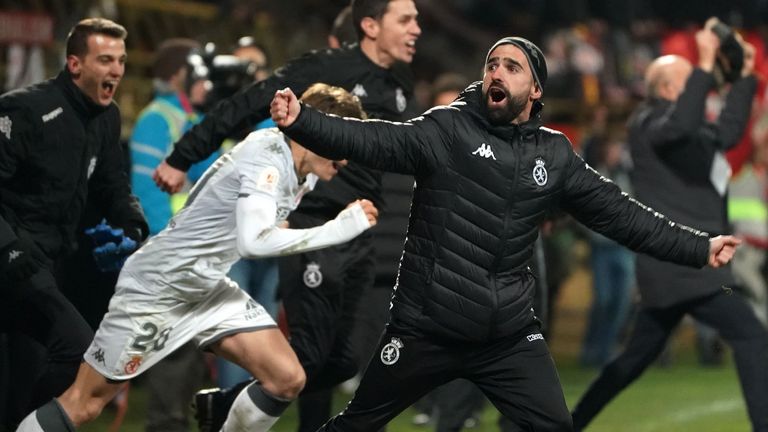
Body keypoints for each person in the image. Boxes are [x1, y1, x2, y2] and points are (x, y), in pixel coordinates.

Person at [269, 36, 741, 431]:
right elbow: (375, 140)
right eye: (491, 64)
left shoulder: (555, 155)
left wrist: (699, 247)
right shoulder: (448, 129)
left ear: (535, 89)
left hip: (507, 338)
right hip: (427, 330)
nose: (496, 72)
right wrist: (305, 123)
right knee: (357, 424)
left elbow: (622, 215)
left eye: (511, 67)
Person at [15, 83, 379, 432]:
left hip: (206, 284)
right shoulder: (268, 157)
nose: (346, 156)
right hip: (160, 286)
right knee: (84, 404)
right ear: (312, 132)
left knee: (287, 378)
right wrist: (337, 229)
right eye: (340, 141)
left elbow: (263, 225)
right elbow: (254, 243)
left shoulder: (305, 173)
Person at [180, 2, 421, 431]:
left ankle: (228, 402)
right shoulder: (328, 68)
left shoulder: (401, 81)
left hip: (362, 233)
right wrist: (183, 156)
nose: (416, 29)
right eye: (405, 20)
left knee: (346, 360)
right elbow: (251, 102)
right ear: (369, 26)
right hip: (314, 223)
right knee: (310, 353)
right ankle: (234, 407)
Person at [570, 21, 768, 431]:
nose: (702, 82)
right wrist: (708, 60)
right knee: (752, 335)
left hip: (680, 272)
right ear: (664, 90)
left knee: (631, 362)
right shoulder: (648, 125)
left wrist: (746, 75)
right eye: (688, 78)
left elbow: (729, 131)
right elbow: (680, 123)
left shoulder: (691, 132)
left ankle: (566, 422)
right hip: (685, 268)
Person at [0, 18, 148, 429]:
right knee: (82, 353)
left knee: (21, 380)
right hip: (13, 262)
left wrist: (133, 225)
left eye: (120, 60)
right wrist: (9, 247)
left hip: (47, 264)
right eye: (105, 59)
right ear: (75, 64)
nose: (117, 70)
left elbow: (113, 184)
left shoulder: (107, 117)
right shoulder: (24, 110)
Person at [129, 38, 217, 432]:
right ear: (184, 74)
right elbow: (147, 190)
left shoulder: (189, 117)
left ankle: (177, 422)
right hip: (170, 247)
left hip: (194, 246)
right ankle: (165, 425)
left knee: (192, 346)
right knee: (172, 345)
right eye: (200, 72)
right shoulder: (156, 118)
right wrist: (164, 242)